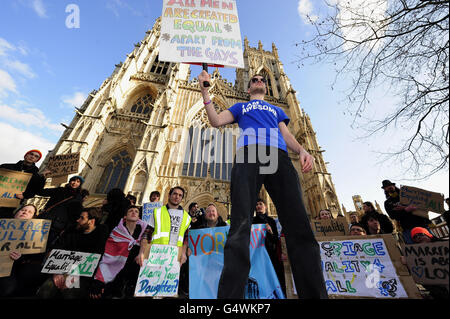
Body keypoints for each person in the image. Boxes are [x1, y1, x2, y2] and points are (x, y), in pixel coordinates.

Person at [198, 71, 327, 299]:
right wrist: (205, 91)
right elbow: (215, 121)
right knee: (240, 225)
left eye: (262, 81)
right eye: (254, 80)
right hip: (248, 154)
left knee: (299, 225)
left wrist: (302, 150)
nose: (259, 82)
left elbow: (286, 134)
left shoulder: (276, 110)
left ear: (265, 88)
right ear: (248, 89)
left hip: (278, 156)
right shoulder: (240, 107)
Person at [36, 207, 108, 299]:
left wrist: (75, 276)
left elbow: (98, 260)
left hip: (82, 275)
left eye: (82, 218)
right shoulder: (71, 231)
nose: (78, 220)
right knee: (46, 290)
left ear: (91, 221)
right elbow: (56, 249)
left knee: (69, 294)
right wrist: (56, 272)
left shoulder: (100, 235)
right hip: (62, 270)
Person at [90, 206, 147, 299]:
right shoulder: (116, 232)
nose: (134, 212)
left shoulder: (143, 233)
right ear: (125, 216)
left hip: (130, 277)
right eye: (130, 211)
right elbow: (108, 256)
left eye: (136, 211)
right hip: (114, 275)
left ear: (139, 218)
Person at [0, 204, 48, 297]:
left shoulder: (33, 236)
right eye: (23, 210)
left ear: (32, 218)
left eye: (29, 212)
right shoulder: (2, 222)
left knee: (8, 288)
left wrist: (19, 258)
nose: (25, 212)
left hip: (7, 268)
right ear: (16, 212)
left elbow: (29, 259)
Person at [36, 175, 85, 251]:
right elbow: (41, 191)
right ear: (70, 181)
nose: (75, 183)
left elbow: (74, 216)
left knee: (43, 247)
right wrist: (43, 178)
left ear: (80, 184)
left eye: (78, 182)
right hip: (45, 220)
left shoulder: (78, 198)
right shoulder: (59, 190)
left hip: (57, 226)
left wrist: (65, 229)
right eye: (73, 180)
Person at [252, 198, 286, 296]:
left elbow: (275, 239)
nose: (258, 206)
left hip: (270, 254)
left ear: (266, 207)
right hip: (257, 255)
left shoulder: (271, 220)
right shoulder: (252, 221)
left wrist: (270, 231)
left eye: (260, 204)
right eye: (257, 204)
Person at [0, 149, 48, 218]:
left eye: (36, 156)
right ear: (26, 155)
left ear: (37, 160)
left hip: (11, 204)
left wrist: (25, 195)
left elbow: (36, 190)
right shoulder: (6, 167)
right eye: (31, 154)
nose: (32, 157)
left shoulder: (36, 176)